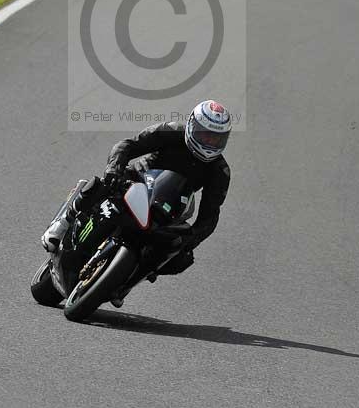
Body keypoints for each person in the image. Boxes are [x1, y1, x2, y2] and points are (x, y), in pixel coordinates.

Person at [42, 101, 232, 282]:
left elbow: (211, 213)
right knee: (100, 185)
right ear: (192, 125)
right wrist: (114, 170)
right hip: (137, 180)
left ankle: (127, 282)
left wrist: (193, 238)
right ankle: (63, 223)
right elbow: (127, 145)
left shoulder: (220, 172)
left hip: (169, 207)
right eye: (205, 135)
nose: (209, 142)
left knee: (181, 258)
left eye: (216, 138)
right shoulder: (171, 131)